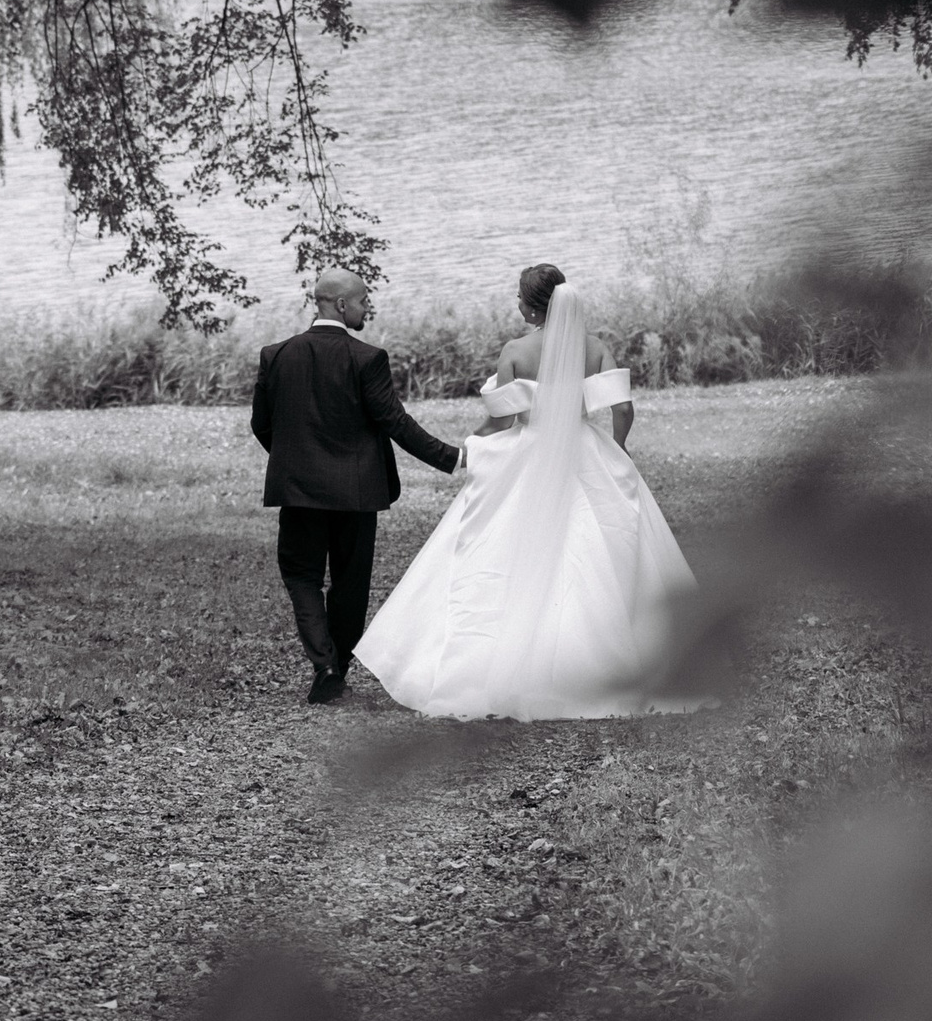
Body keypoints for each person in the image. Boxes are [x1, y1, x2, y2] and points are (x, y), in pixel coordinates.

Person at [354, 264, 707, 720]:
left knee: (502, 548)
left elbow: (502, 419)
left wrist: (474, 441)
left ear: (534, 304)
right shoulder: (596, 348)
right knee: (600, 547)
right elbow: (622, 407)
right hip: (584, 449)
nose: (516, 304)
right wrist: (616, 448)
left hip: (531, 451)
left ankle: (501, 667)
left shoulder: (517, 351)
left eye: (519, 297)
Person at [251, 268, 462, 704]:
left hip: (300, 491)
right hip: (356, 491)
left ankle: (326, 667)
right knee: (350, 583)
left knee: (302, 576)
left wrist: (297, 461)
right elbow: (395, 423)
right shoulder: (368, 358)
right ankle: (336, 671)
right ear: (341, 305)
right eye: (365, 300)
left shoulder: (276, 355)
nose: (370, 308)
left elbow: (262, 425)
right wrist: (452, 457)